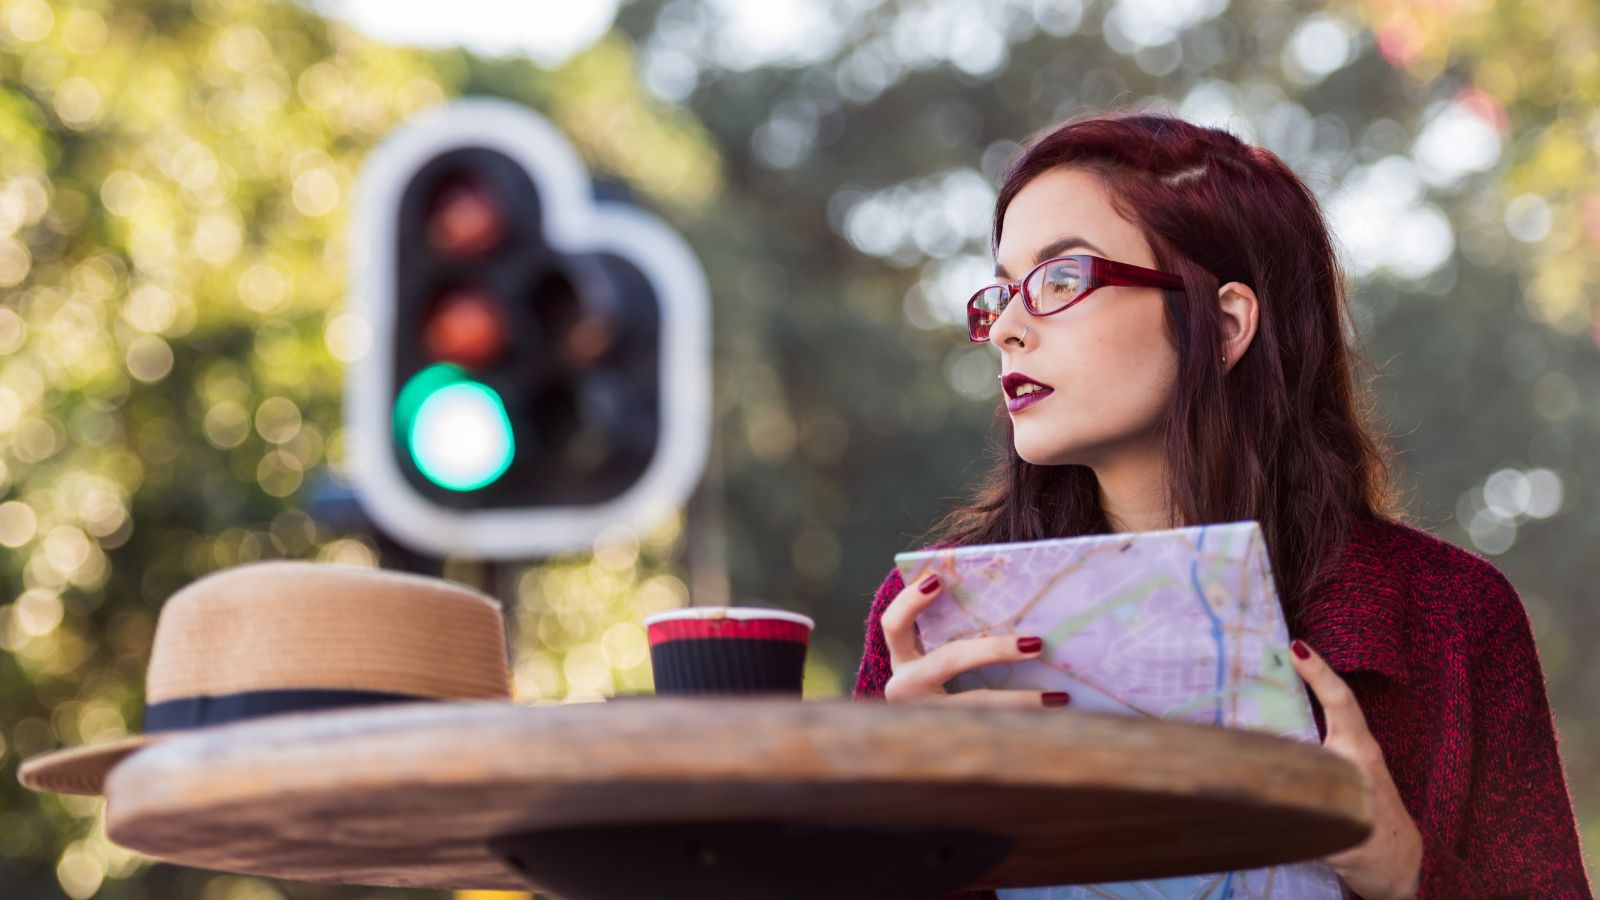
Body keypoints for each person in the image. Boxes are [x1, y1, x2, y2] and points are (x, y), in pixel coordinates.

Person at [852, 112, 1592, 899]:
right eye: (1002, 290)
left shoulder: (1453, 615)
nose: (1005, 328)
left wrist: (1403, 869)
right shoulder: (933, 625)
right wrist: (909, 825)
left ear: (1227, 322)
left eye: (1061, 280)